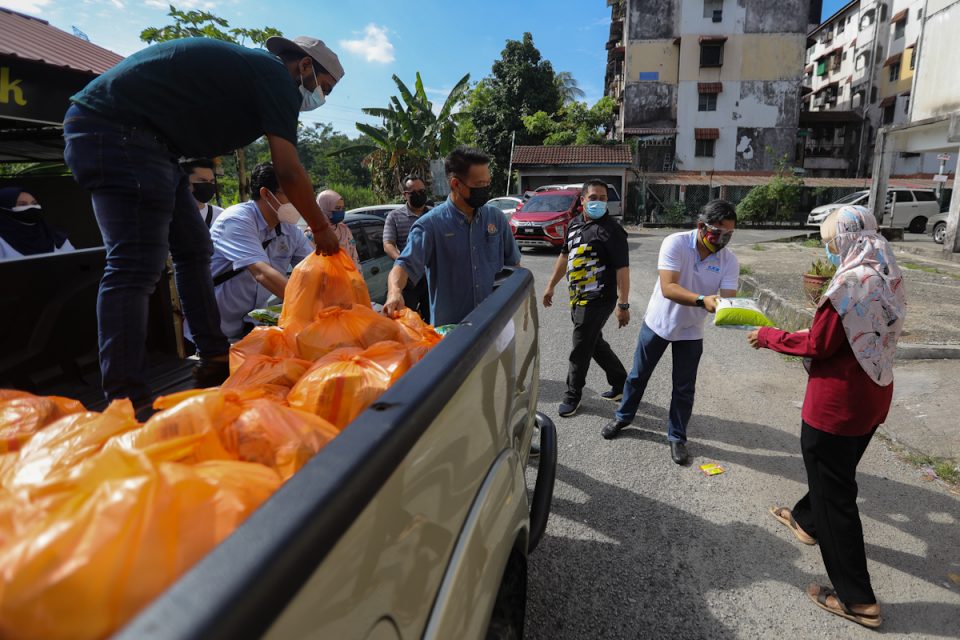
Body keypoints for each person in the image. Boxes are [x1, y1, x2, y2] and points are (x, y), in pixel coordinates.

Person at [62, 34, 343, 406]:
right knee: (134, 266)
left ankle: (212, 357)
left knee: (195, 251)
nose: (319, 97)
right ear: (305, 66)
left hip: (155, 146)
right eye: (322, 87)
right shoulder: (278, 77)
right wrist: (322, 228)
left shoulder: (259, 75)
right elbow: (288, 170)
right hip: (115, 131)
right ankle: (126, 400)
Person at [748, 206, 905, 630]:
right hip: (874, 392)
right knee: (835, 473)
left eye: (830, 242)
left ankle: (858, 600)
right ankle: (805, 518)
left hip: (838, 404)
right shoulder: (884, 270)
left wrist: (767, 336)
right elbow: (848, 336)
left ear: (847, 238)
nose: (830, 250)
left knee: (836, 495)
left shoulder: (851, 283)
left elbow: (819, 344)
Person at [601, 199, 740, 465]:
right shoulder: (676, 243)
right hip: (658, 323)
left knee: (684, 388)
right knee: (638, 375)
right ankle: (622, 417)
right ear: (702, 227)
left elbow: (728, 298)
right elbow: (669, 287)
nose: (723, 239)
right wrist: (703, 300)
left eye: (729, 234)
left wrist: (733, 310)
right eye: (719, 233)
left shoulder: (729, 261)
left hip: (691, 330)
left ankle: (677, 436)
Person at [382, 146, 521, 326]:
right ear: (456, 184)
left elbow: (514, 266)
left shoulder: (496, 218)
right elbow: (403, 266)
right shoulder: (429, 226)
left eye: (488, 183)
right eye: (479, 185)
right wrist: (394, 292)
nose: (486, 189)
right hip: (452, 333)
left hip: (496, 325)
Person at [542, 179, 630, 418]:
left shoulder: (612, 230)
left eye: (603, 198)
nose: (599, 202)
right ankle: (623, 384)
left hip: (599, 299)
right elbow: (564, 256)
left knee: (580, 347)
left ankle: (573, 395)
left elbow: (622, 269)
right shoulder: (574, 225)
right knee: (594, 343)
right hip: (577, 297)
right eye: (593, 198)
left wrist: (623, 304)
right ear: (582, 201)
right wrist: (550, 286)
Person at [208, 163, 313, 340]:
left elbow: (313, 269)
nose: (298, 200)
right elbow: (262, 273)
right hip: (217, 333)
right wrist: (310, 308)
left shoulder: (290, 230)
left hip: (251, 331)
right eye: (290, 193)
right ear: (266, 194)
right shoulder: (236, 220)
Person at [383, 175, 431, 322]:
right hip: (408, 280)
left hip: (431, 276)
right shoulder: (394, 216)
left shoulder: (434, 215)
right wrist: (403, 263)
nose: (419, 195)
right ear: (405, 195)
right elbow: (388, 244)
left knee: (433, 320)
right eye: (414, 192)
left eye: (422, 191)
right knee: (405, 320)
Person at [0, 187, 75, 260]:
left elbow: (75, 263)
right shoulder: (2, 241)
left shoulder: (55, 237)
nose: (31, 207)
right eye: (22, 204)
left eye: (34, 203)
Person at [316, 189, 360, 267]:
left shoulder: (344, 229)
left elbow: (354, 256)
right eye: (337, 208)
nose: (340, 211)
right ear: (324, 208)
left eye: (342, 208)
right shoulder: (315, 233)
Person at [180, 158, 223, 229]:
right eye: (202, 180)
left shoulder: (220, 216)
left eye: (212, 181)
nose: (208, 185)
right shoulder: (167, 216)